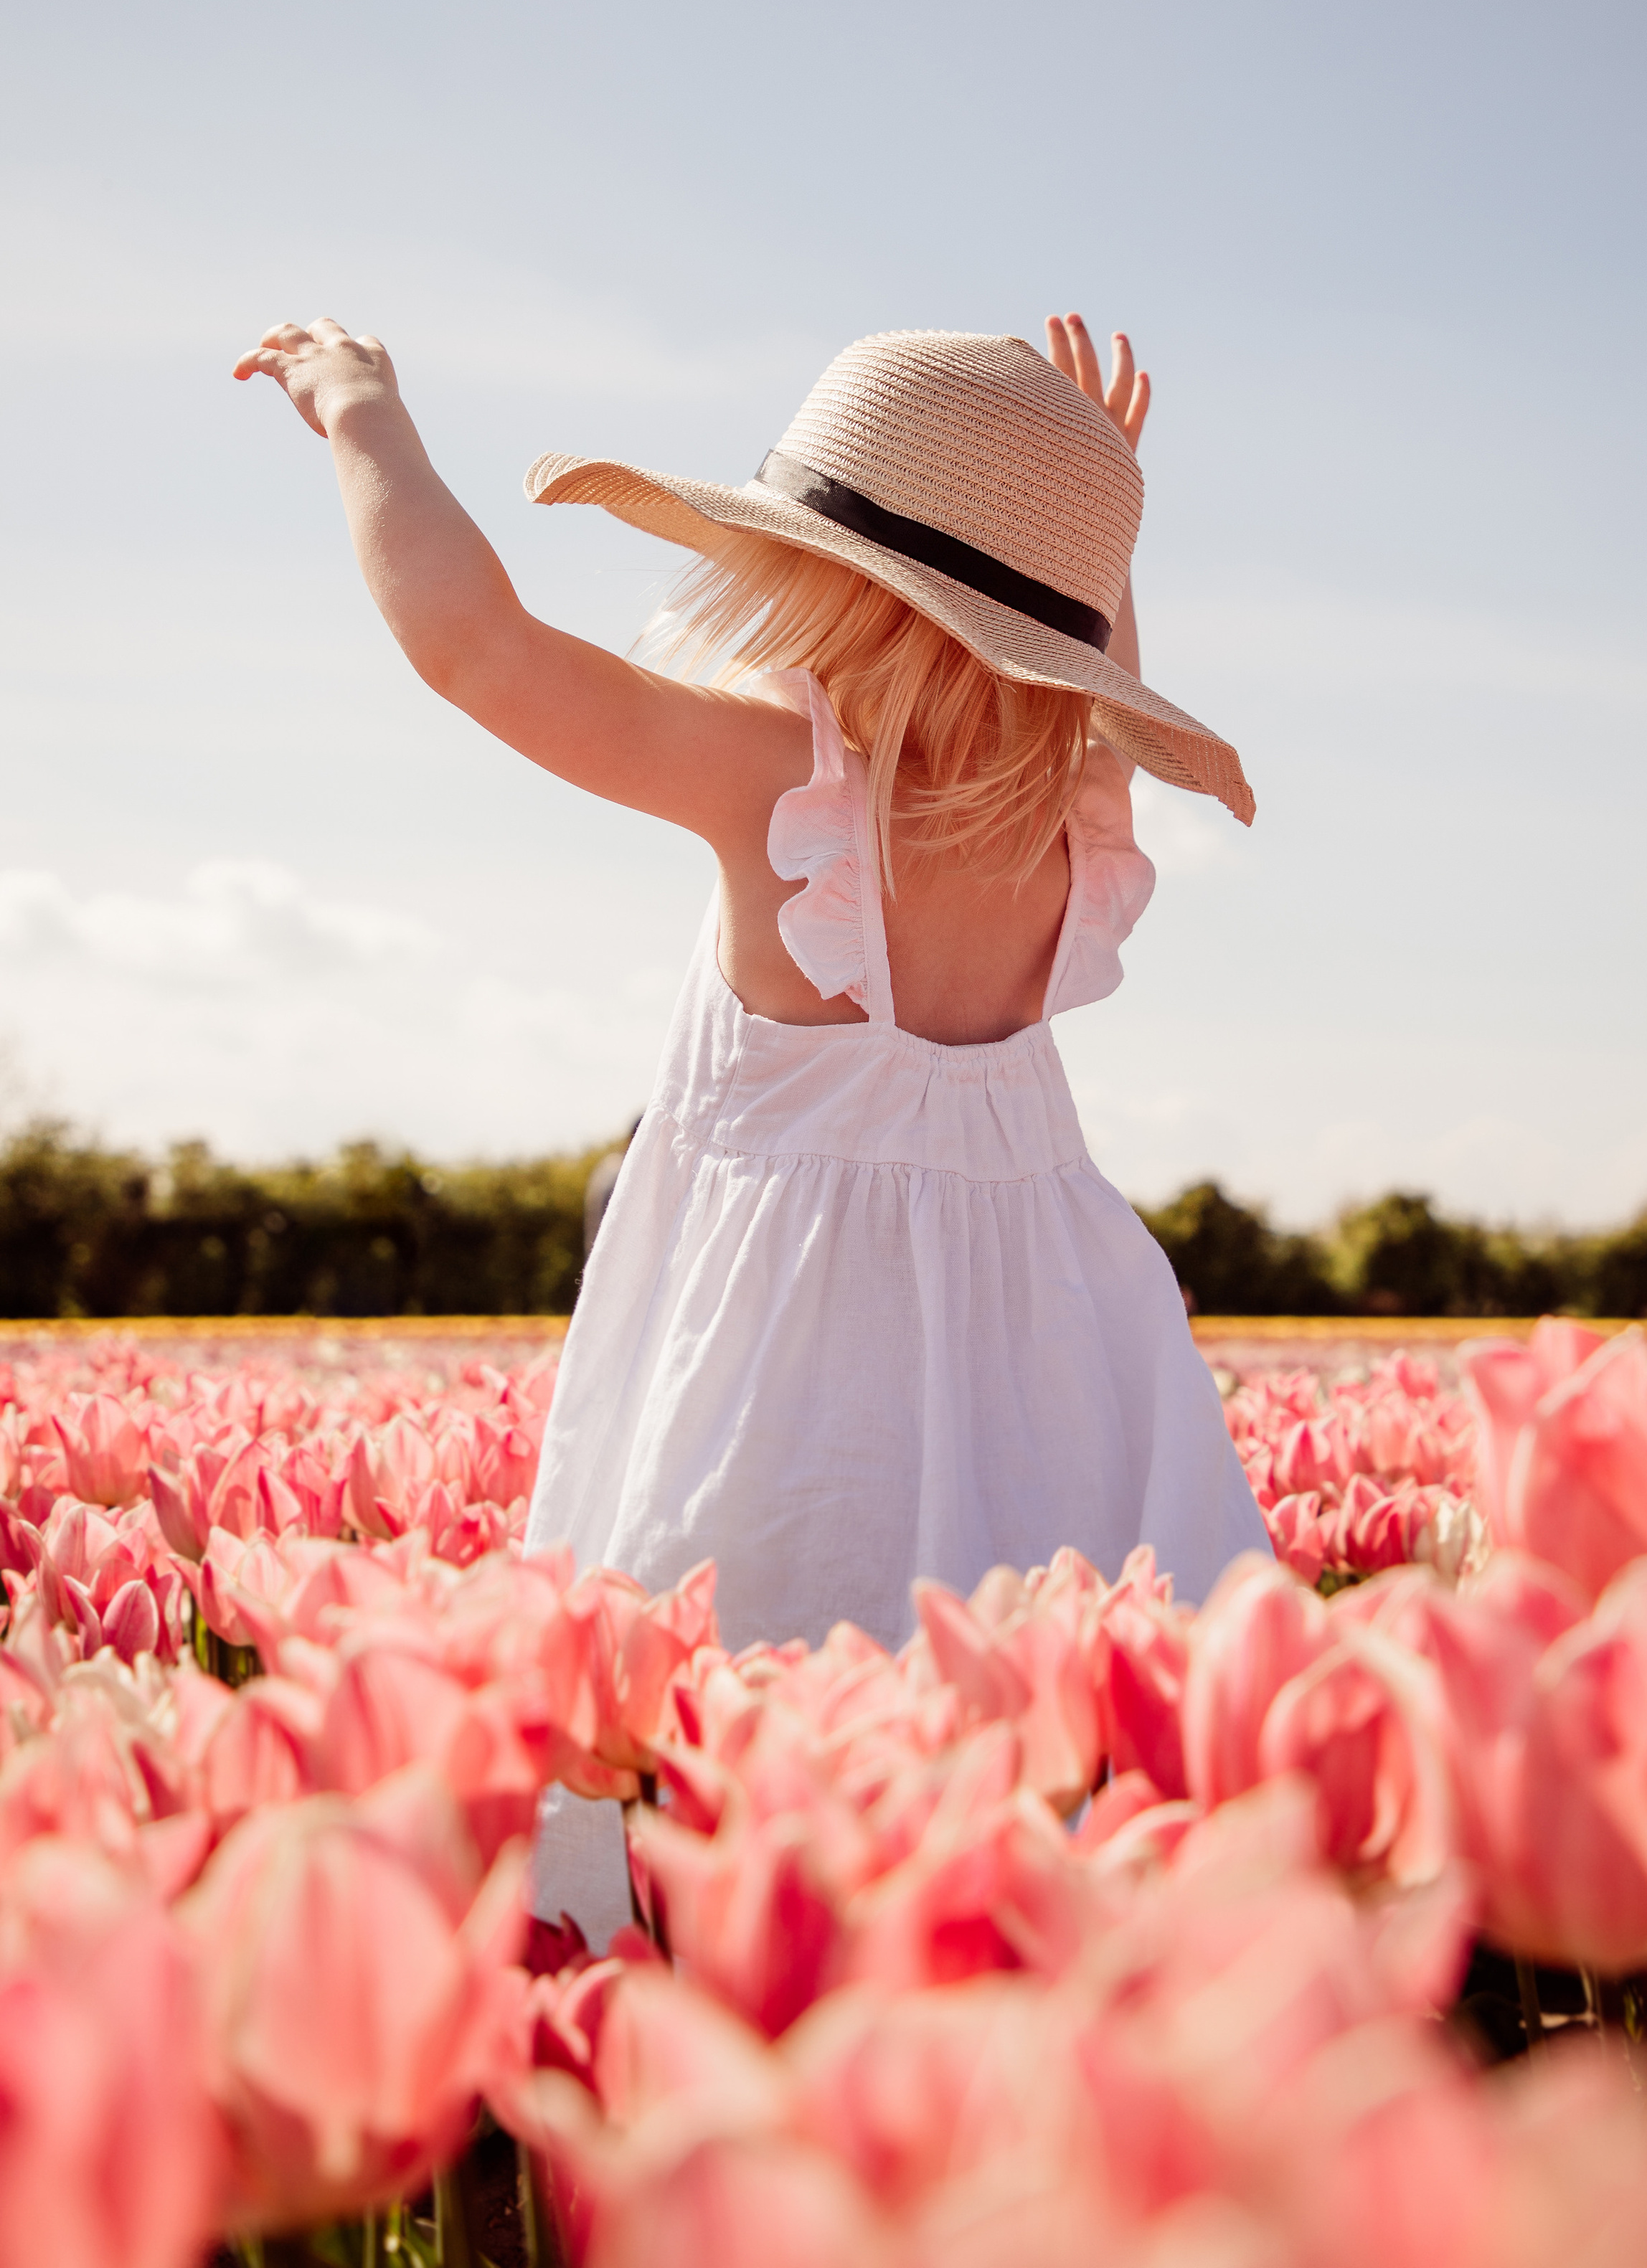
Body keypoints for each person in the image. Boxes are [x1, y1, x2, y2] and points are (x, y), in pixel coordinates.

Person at [236, 311, 1272, 1940]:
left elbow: (476, 646)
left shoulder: (771, 782)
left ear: (829, 581)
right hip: (1061, 1379)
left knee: (759, 1777)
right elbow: (1081, 678)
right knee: (1028, 1810)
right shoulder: (1076, 822)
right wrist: (1087, 513)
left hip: (794, 1400)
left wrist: (362, 411)